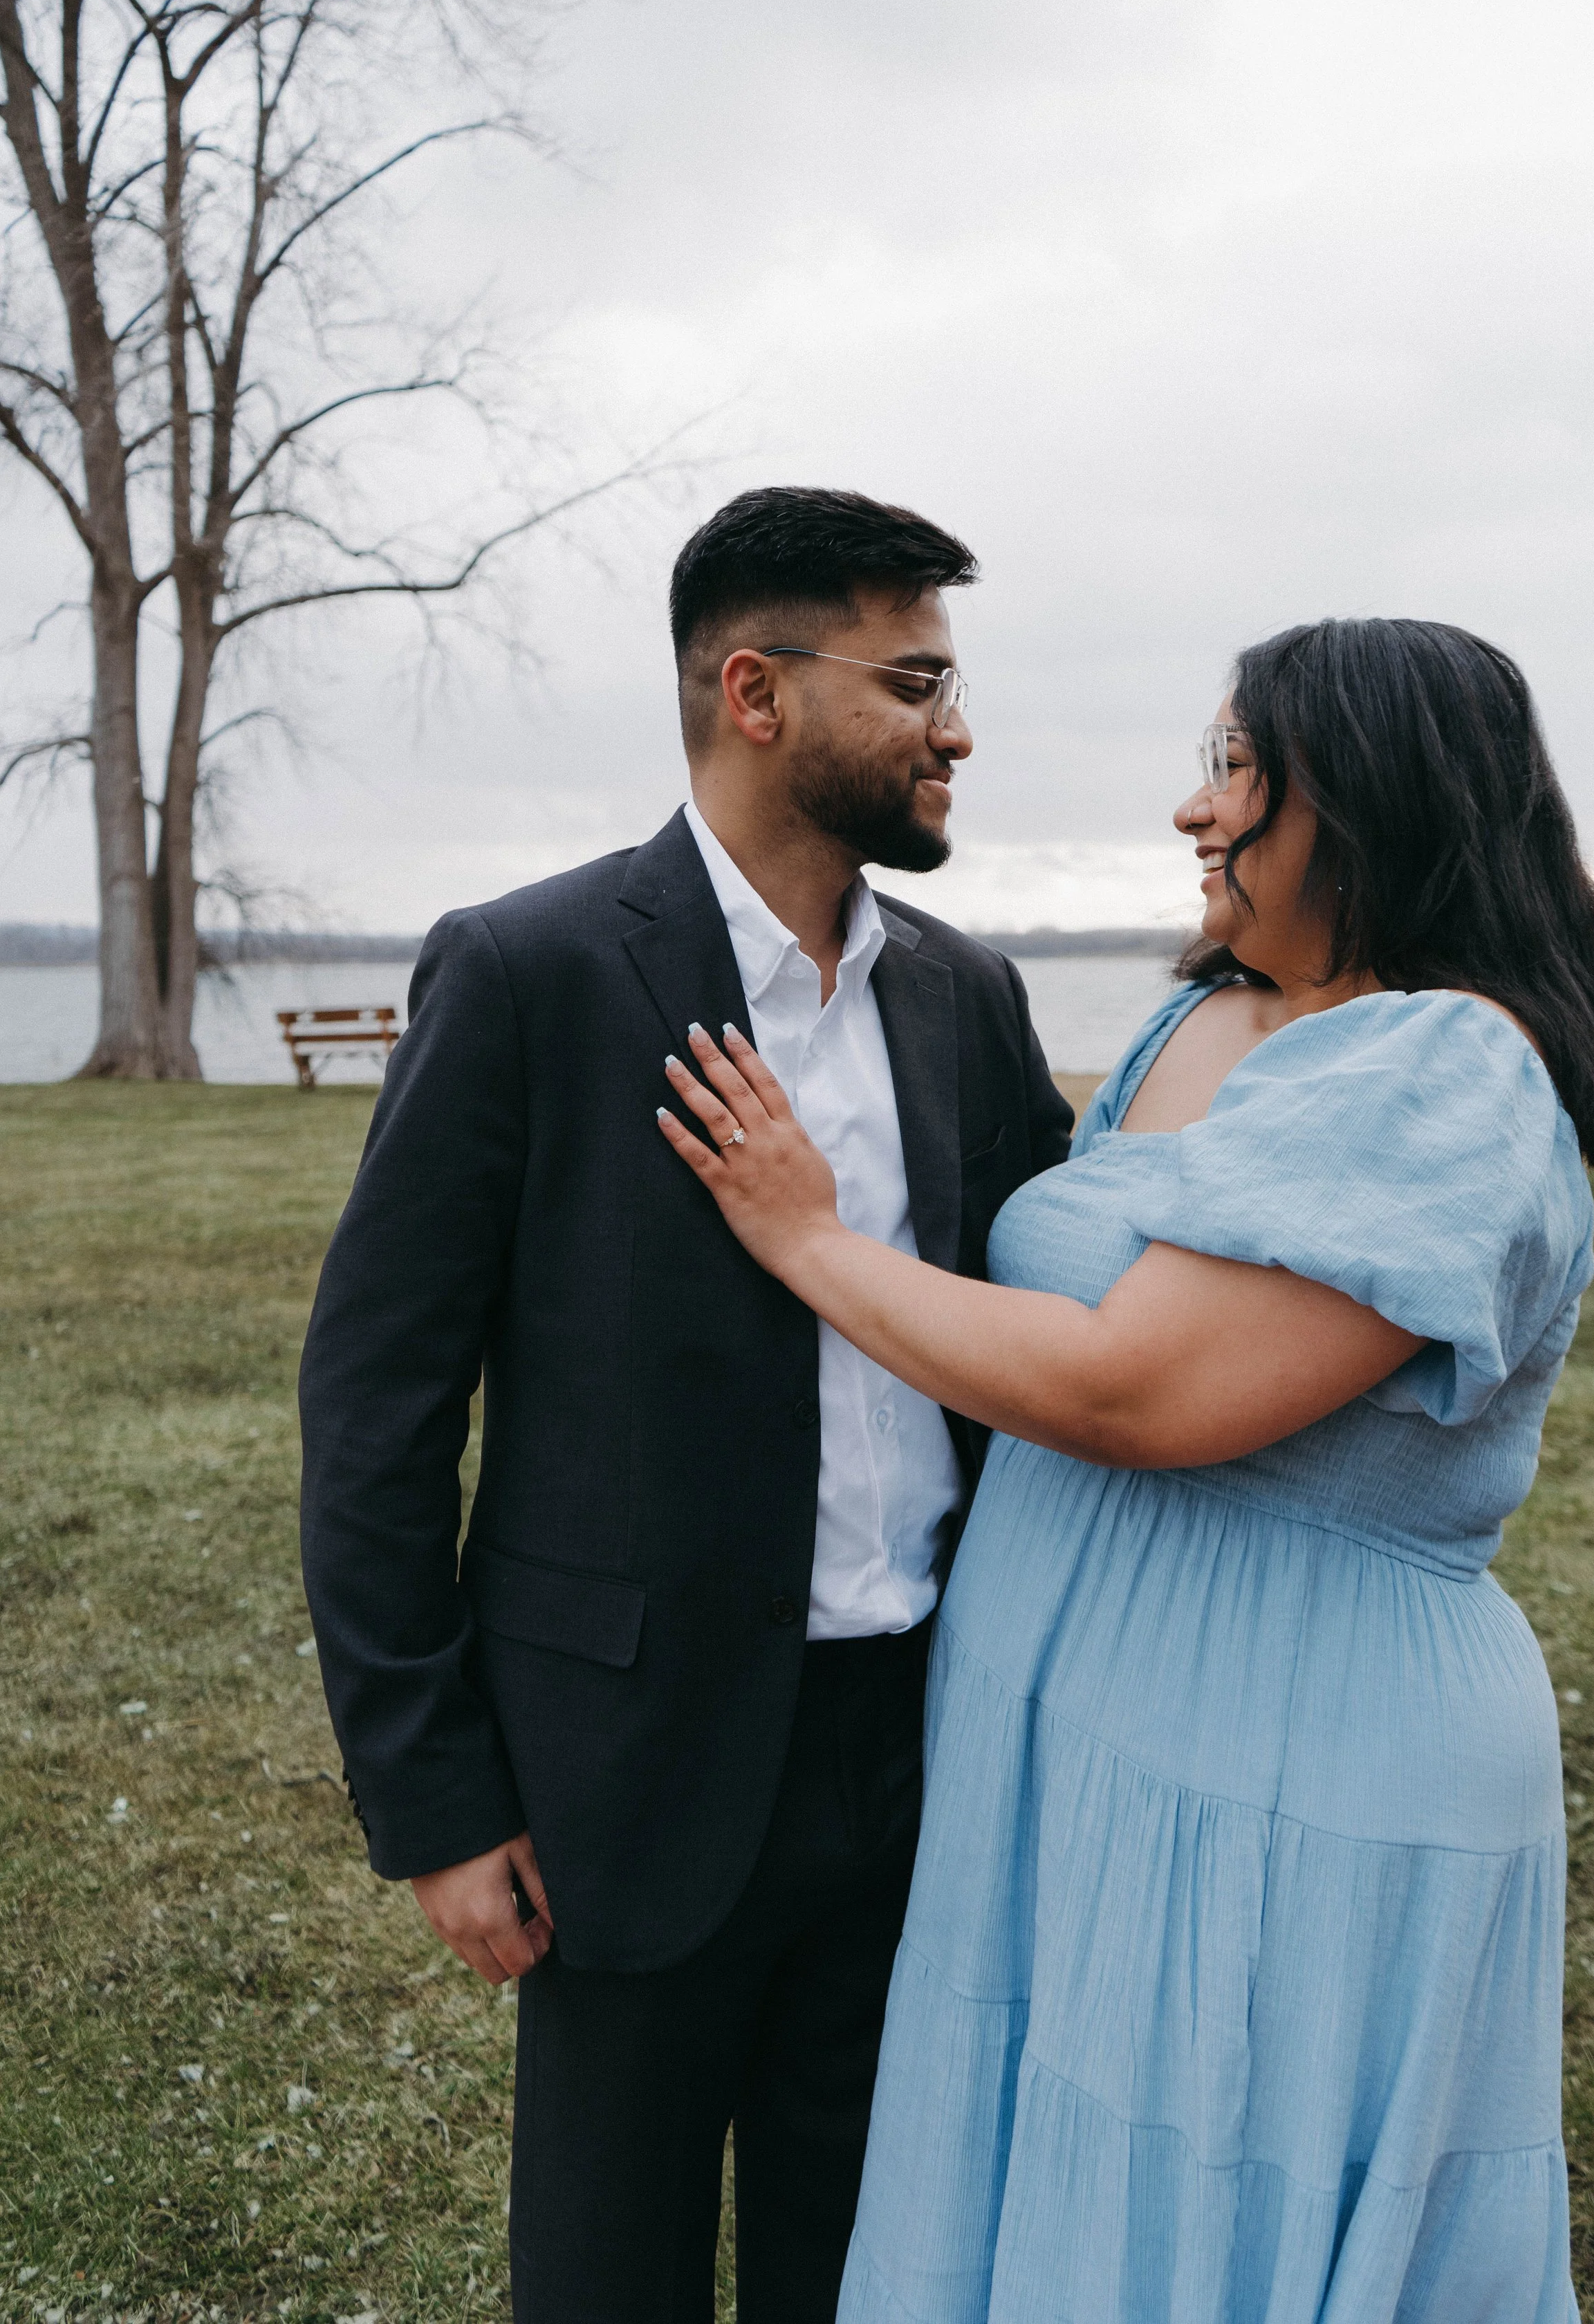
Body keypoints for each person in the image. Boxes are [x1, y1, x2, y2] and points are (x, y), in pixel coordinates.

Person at [655, 616, 1594, 2324]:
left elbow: (1136, 1390)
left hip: (1282, 1760)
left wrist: (804, 1238)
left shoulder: (1447, 1067)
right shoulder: (1206, 1020)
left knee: (1205, 2221)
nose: (1194, 815)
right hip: (1087, 1757)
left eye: (1233, 773)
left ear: (1367, 803)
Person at [297, 484, 1073, 2324]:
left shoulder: (966, 996)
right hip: (624, 1772)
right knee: (609, 2273)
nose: (956, 727)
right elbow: (376, 1404)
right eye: (912, 680)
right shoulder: (530, 970)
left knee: (869, 2265)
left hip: (919, 1752)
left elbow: (1047, 1319)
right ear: (755, 690)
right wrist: (432, 1794)